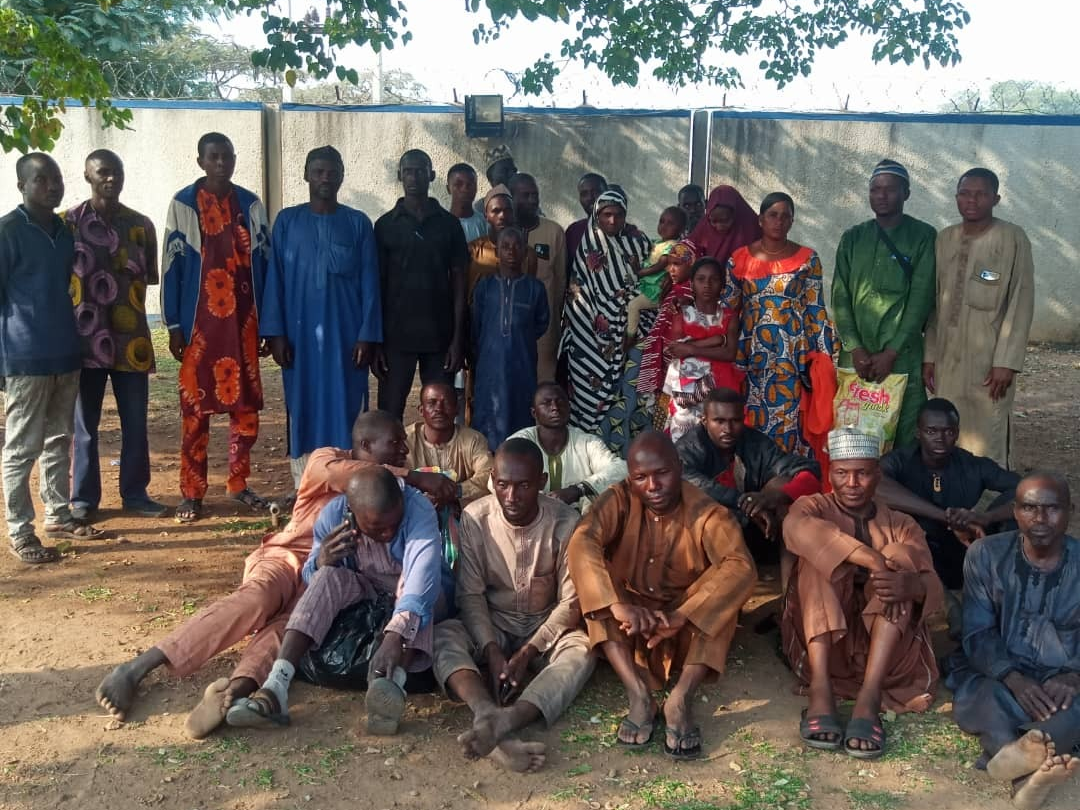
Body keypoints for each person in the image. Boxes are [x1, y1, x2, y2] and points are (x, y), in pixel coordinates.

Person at [94, 411, 458, 737]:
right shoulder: (325, 459)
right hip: (288, 557)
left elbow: (419, 570)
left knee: (286, 630)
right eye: (395, 443)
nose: (404, 452)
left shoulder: (400, 504)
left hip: (328, 575)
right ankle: (138, 667)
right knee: (256, 599)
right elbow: (352, 476)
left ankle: (235, 693)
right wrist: (415, 478)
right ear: (364, 445)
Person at [568, 432, 756, 759]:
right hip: (631, 627)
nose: (652, 486)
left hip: (684, 627)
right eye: (641, 477)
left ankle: (681, 698)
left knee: (724, 591)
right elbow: (583, 542)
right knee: (595, 586)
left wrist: (681, 615)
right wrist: (618, 605)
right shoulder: (618, 499)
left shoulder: (708, 512)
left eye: (662, 474)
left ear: (679, 467)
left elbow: (741, 567)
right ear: (630, 478)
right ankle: (638, 694)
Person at [225, 466, 445, 736]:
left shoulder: (418, 510)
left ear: (401, 502)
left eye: (394, 524)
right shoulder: (334, 514)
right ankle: (276, 686)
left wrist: (394, 637)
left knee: (420, 602)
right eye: (377, 528)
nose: (388, 533)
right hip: (365, 590)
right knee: (327, 577)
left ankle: (390, 689)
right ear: (352, 514)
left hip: (410, 592)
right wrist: (321, 560)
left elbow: (420, 579)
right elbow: (310, 577)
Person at [782, 428, 944, 759]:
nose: (852, 484)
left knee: (901, 558)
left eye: (863, 474)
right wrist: (870, 558)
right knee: (819, 560)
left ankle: (868, 697)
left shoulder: (902, 523)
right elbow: (794, 528)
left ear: (877, 475)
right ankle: (821, 690)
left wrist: (908, 585)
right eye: (842, 473)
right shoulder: (811, 507)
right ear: (830, 474)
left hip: (887, 652)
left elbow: (933, 586)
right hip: (826, 646)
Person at [434, 439, 594, 772]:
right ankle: (484, 711)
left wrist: (529, 651)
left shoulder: (566, 523)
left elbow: (570, 602)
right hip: (493, 623)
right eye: (503, 485)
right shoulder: (476, 518)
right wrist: (492, 651)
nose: (511, 496)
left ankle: (510, 719)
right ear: (492, 480)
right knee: (443, 635)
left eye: (523, 486)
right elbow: (471, 595)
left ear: (543, 483)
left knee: (584, 648)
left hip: (545, 626)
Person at [946, 473, 1080, 809]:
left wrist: (1073, 675)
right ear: (1015, 512)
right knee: (987, 697)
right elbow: (977, 632)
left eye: (1052, 509)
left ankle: (1018, 767)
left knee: (1071, 709)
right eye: (1030, 508)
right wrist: (1012, 677)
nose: (1040, 519)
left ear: (1070, 511)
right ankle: (1024, 774)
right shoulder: (985, 555)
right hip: (1001, 673)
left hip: (1064, 678)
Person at [162, 132, 270, 522]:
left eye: (227, 156)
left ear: (235, 158)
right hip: (199, 325)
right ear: (201, 161)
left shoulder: (251, 204)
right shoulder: (183, 204)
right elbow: (172, 265)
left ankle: (239, 484)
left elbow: (266, 267)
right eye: (213, 156)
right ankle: (192, 492)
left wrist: (267, 325)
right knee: (195, 411)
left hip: (244, 323)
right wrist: (173, 324)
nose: (221, 162)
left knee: (245, 411)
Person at [260, 146, 382, 489]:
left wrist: (367, 335)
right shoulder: (287, 221)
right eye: (318, 171)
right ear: (306, 175)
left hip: (346, 339)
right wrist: (276, 333)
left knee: (347, 408)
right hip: (299, 340)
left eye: (332, 172)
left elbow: (371, 283)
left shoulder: (358, 223)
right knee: (302, 408)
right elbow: (276, 280)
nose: (325, 178)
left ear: (342, 175)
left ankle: (347, 487)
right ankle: (306, 488)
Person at [1, 153, 102, 564]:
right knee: (22, 447)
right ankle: (20, 530)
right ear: (22, 186)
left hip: (65, 351)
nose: (52, 186)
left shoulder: (63, 230)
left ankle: (58, 515)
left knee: (60, 439)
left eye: (56, 178)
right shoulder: (8, 231)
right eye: (41, 180)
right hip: (25, 357)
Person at [65, 149, 166, 520]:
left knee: (136, 422)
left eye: (116, 172)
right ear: (88, 176)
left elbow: (149, 277)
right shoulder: (68, 225)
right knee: (84, 425)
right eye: (102, 172)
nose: (111, 178)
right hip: (83, 340)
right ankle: (82, 500)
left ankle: (136, 494)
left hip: (131, 342)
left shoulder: (141, 226)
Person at [924, 168, 1034, 468]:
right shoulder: (945, 239)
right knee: (948, 428)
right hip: (948, 357)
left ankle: (992, 504)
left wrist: (1006, 362)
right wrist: (930, 356)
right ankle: (954, 497)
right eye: (964, 193)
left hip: (989, 360)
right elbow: (935, 302)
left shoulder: (1011, 238)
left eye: (980, 194)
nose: (971, 200)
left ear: (995, 199)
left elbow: (1021, 301)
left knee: (989, 429)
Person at [832, 160, 937, 448]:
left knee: (902, 430)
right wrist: (854, 346)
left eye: (890, 189)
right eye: (875, 189)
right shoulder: (853, 238)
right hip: (857, 356)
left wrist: (892, 351)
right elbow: (840, 297)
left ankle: (896, 491)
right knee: (853, 430)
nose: (882, 195)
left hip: (901, 355)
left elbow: (921, 298)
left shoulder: (924, 236)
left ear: (906, 193)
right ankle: (852, 491)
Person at [726, 192, 835, 455]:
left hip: (792, 354)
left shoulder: (808, 259)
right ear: (761, 220)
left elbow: (815, 309)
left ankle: (789, 482)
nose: (779, 221)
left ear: (792, 222)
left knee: (790, 417)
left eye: (785, 216)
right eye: (773, 215)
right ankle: (755, 479)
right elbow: (728, 309)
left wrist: (822, 359)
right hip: (752, 355)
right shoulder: (739, 259)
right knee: (751, 415)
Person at [878, 398, 1019, 593]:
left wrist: (985, 518)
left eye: (948, 432)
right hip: (917, 551)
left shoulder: (973, 465)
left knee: (1020, 511)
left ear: (957, 434)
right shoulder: (900, 461)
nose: (940, 438)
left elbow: (1029, 491)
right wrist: (947, 518)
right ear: (918, 433)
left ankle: (1006, 588)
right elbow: (875, 486)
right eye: (931, 431)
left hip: (966, 550)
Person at [676, 387, 821, 573]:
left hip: (758, 530)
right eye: (719, 421)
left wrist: (773, 497)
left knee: (784, 487)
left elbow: (809, 470)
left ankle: (789, 592)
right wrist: (747, 505)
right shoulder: (689, 447)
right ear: (704, 421)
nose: (727, 429)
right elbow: (693, 485)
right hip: (705, 534)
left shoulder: (755, 442)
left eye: (735, 421)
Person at [638, 185, 760, 400]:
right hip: (700, 312)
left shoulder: (752, 233)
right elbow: (684, 255)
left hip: (739, 316)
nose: (719, 226)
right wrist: (671, 273)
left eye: (725, 220)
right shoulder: (702, 231)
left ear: (737, 215)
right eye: (714, 220)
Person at [373, 149, 468, 420]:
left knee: (441, 411)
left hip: (440, 336)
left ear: (432, 176)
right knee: (389, 413)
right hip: (395, 337)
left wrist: (457, 339)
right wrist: (377, 342)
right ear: (399, 176)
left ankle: (441, 464)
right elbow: (376, 286)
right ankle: (389, 465)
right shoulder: (384, 226)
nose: (413, 177)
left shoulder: (449, 225)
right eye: (407, 171)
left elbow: (460, 283)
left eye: (420, 171)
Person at [559, 189, 652, 438]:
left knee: (629, 397)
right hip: (589, 340)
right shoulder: (586, 251)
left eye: (618, 214)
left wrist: (628, 317)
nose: (612, 220)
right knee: (587, 403)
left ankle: (625, 456)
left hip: (632, 335)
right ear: (596, 215)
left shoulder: (640, 243)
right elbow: (577, 300)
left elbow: (651, 288)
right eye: (606, 214)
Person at [470, 226, 549, 450]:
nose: (511, 251)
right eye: (505, 246)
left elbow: (541, 322)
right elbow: (476, 325)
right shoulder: (484, 287)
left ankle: (519, 461)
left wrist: (518, 340)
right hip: (489, 366)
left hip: (521, 365)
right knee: (488, 413)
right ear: (497, 251)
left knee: (520, 412)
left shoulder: (535, 288)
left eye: (517, 246)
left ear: (525, 251)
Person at [509, 382, 627, 512]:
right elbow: (496, 482)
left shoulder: (587, 442)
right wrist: (544, 501)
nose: (555, 407)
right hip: (530, 520)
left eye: (560, 402)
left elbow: (621, 469)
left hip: (581, 524)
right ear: (534, 413)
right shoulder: (520, 442)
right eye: (547, 403)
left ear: (569, 407)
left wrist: (577, 490)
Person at [661, 257, 743, 441]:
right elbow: (675, 349)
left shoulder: (729, 317)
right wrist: (716, 340)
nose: (707, 284)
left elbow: (729, 353)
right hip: (688, 391)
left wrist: (691, 349)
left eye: (714, 279)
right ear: (692, 283)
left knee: (719, 441)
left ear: (722, 285)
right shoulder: (682, 314)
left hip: (721, 387)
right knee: (685, 439)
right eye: (701, 279)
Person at [508, 172, 566, 382]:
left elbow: (560, 282)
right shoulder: (503, 235)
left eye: (535, 195)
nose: (532, 200)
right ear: (511, 198)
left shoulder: (554, 232)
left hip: (544, 331)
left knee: (543, 385)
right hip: (508, 329)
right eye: (525, 195)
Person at [404, 382, 493, 506]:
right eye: (432, 403)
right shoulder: (406, 440)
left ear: (457, 409)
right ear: (421, 410)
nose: (439, 409)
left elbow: (488, 476)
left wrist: (455, 492)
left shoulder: (473, 439)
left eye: (446, 403)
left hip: (462, 512)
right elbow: (396, 477)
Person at [626, 206, 688, 343]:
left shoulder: (673, 246)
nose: (664, 226)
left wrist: (638, 271)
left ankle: (630, 336)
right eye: (662, 221)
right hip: (647, 286)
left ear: (681, 228)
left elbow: (660, 264)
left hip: (656, 291)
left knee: (633, 305)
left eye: (670, 223)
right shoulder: (659, 242)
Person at [467, 184, 517, 302]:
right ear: (486, 215)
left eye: (508, 210)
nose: (502, 216)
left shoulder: (527, 254)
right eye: (496, 211)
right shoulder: (473, 250)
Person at [564, 172, 607, 271]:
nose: (590, 198)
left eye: (595, 192)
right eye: (584, 194)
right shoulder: (573, 231)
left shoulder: (625, 231)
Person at [446, 162, 488, 243]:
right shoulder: (441, 225)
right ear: (448, 189)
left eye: (470, 184)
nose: (465, 189)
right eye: (458, 184)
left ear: (476, 188)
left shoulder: (485, 224)